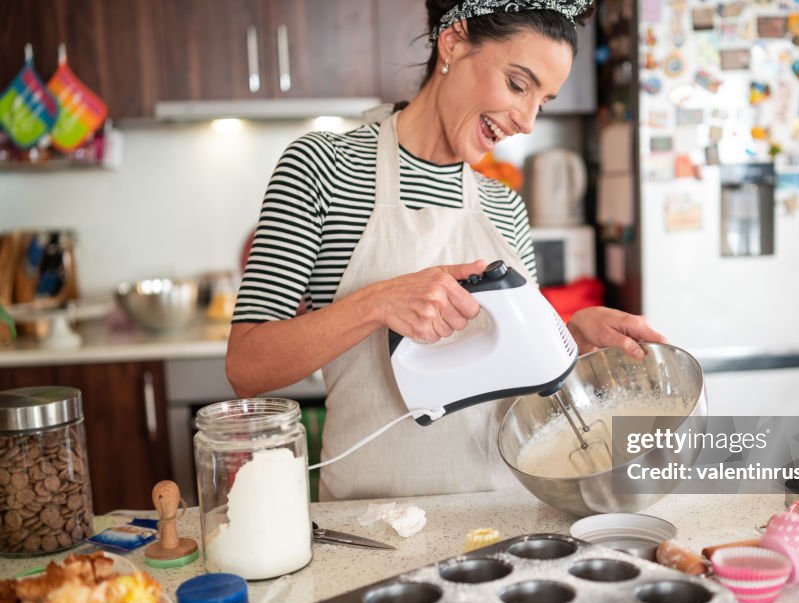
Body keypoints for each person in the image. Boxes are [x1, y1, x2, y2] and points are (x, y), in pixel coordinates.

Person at [227, 0, 666, 501]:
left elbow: (517, 375)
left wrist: (569, 341)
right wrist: (377, 303)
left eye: (541, 102)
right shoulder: (324, 167)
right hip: (371, 523)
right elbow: (247, 367)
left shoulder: (505, 206)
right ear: (453, 42)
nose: (526, 121)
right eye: (518, 85)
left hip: (503, 513)